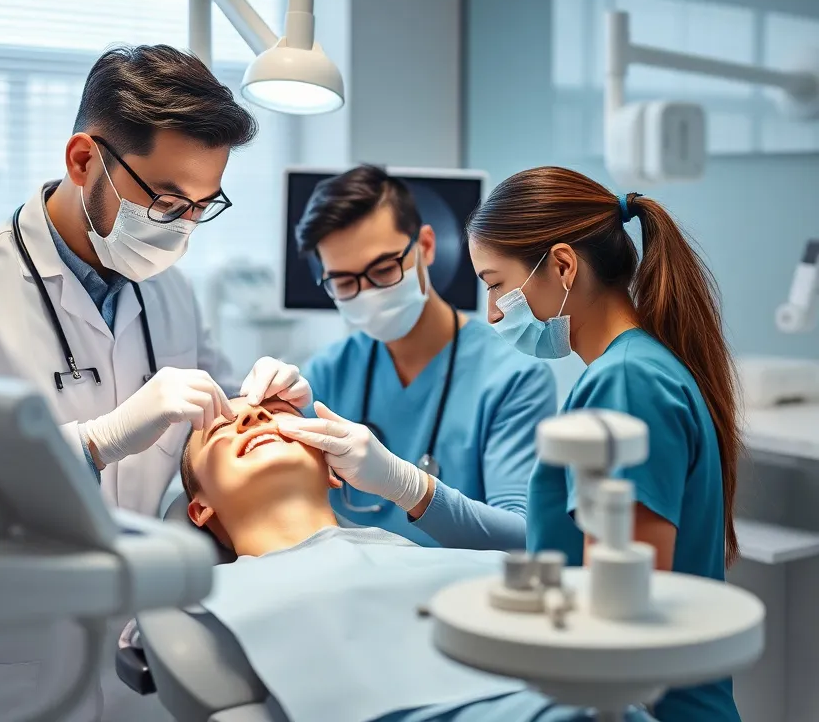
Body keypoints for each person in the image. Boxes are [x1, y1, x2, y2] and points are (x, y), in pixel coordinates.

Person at [0, 45, 312, 722]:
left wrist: (273, 400)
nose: (183, 227)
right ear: (84, 160)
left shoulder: (168, 294)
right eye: (166, 200)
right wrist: (94, 443)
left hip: (127, 666)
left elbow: (220, 419)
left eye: (204, 204)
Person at [144, 395, 655, 722]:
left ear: (332, 470)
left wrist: (407, 483)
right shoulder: (210, 598)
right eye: (222, 429)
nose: (253, 415)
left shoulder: (425, 557)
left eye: (278, 416)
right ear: (200, 509)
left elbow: (548, 562)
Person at [465, 166, 741, 722]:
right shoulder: (629, 370)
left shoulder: (627, 384)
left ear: (564, 266)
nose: (493, 311)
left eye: (496, 284)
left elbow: (623, 619)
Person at [290, 165, 557, 550]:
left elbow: (523, 535)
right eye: (345, 282)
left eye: (383, 269)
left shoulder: (513, 378)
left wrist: (409, 487)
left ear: (426, 246)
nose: (368, 294)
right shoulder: (326, 373)